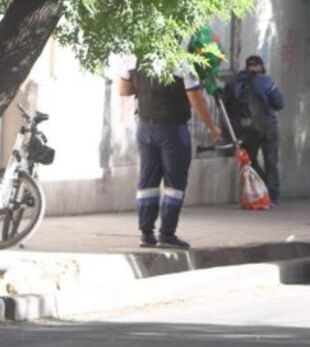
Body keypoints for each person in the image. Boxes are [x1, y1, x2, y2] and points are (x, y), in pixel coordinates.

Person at [118, 60, 222, 249]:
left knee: (147, 181)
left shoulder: (132, 58)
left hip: (145, 127)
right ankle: (167, 233)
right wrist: (212, 126)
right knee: (174, 183)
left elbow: (124, 90)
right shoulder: (182, 63)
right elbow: (196, 100)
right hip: (172, 129)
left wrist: (147, 89)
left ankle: (146, 233)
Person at [229, 55, 285, 204]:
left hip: (247, 129)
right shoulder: (266, 81)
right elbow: (280, 103)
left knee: (250, 161)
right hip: (268, 127)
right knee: (271, 162)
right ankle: (272, 196)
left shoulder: (236, 82)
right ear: (261, 66)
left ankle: (259, 189)